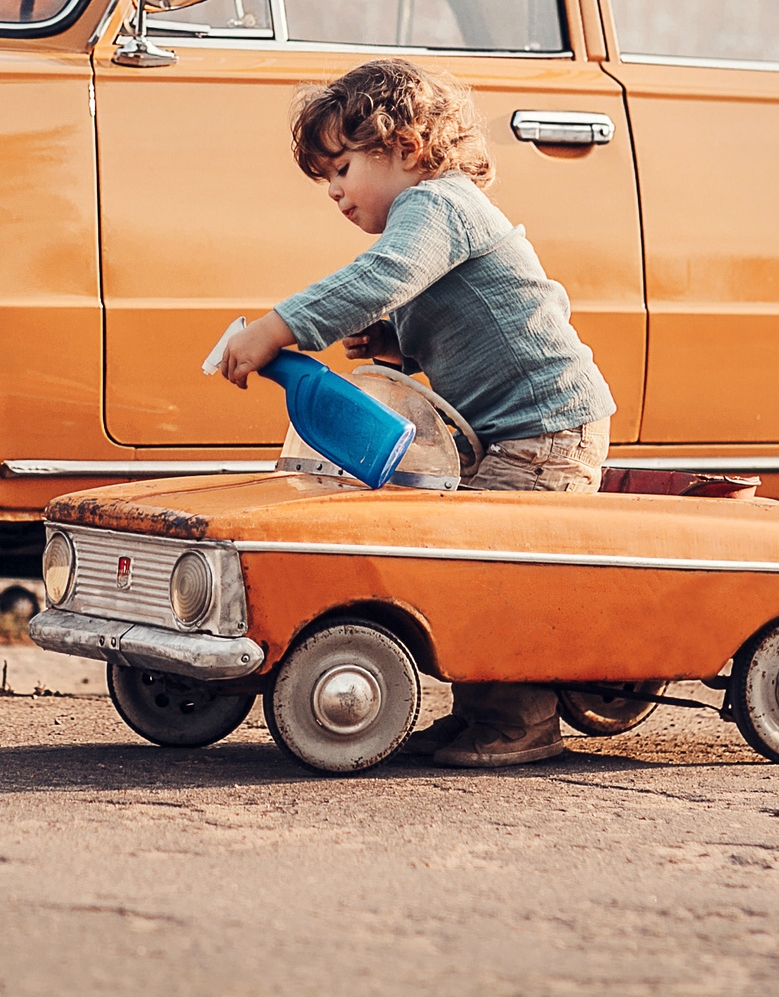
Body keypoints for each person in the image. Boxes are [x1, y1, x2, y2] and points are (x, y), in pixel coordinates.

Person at [215, 57, 616, 767]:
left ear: (402, 146)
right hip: (520, 430)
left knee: (490, 570)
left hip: (545, 429)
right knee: (465, 559)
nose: (334, 191)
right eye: (323, 178)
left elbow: (384, 276)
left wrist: (275, 328)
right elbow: (455, 307)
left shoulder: (435, 205)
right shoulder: (434, 213)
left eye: (341, 166)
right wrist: (394, 340)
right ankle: (484, 715)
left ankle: (523, 720)